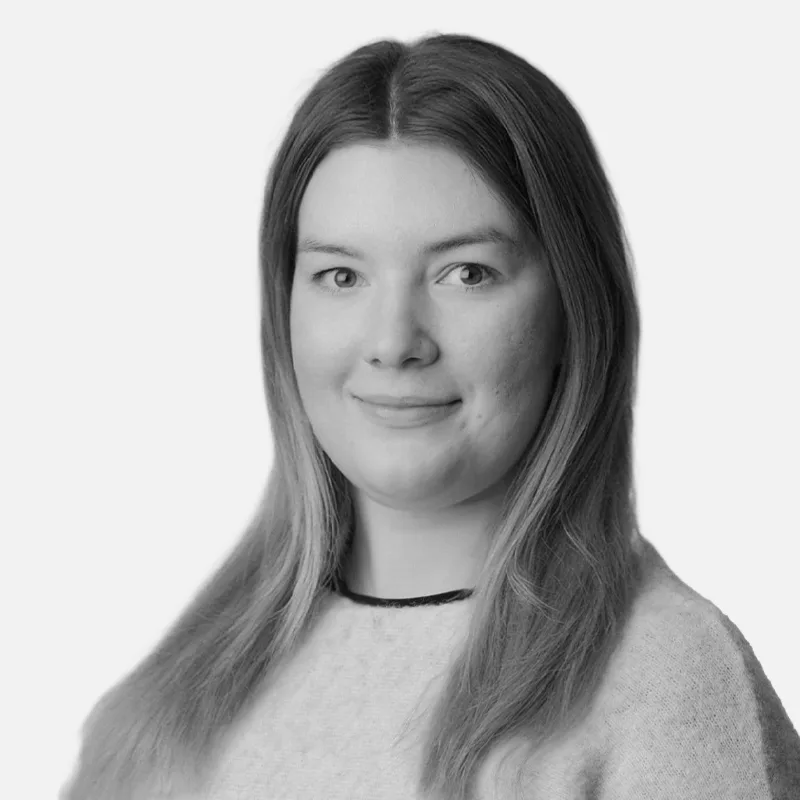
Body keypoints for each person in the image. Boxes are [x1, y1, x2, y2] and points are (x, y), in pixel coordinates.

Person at [60, 32, 800, 800]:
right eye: (340, 275)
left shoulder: (668, 684)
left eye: (466, 273)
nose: (393, 342)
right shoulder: (164, 711)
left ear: (576, 308)